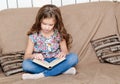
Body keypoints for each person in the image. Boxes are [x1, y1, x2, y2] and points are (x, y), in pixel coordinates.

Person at [22, 4, 78, 80]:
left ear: (56, 23)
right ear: (39, 21)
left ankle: (41, 75)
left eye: (50, 25)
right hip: (41, 63)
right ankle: (61, 71)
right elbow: (26, 56)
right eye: (44, 24)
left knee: (74, 58)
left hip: (56, 61)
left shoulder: (59, 34)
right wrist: (34, 55)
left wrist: (63, 53)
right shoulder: (33, 36)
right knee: (26, 65)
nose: (47, 27)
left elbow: (66, 51)